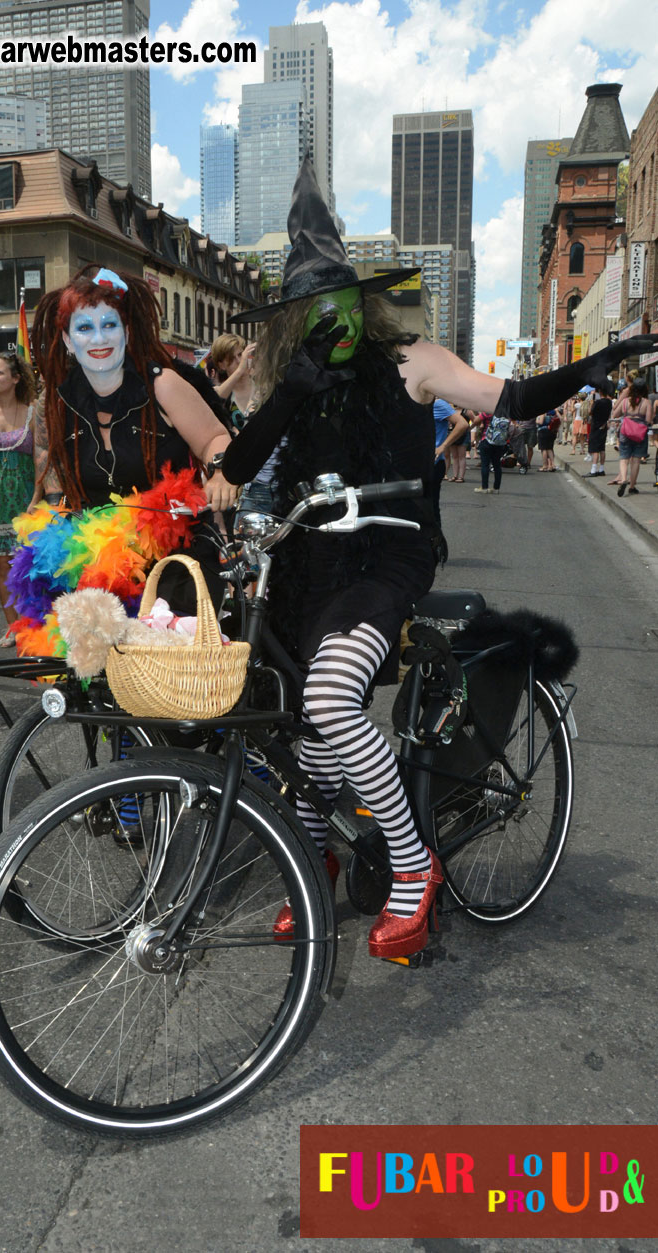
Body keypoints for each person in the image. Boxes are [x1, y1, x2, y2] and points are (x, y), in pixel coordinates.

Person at [221, 157, 658, 961]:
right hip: (312, 564)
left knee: (327, 694)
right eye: (307, 307)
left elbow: (511, 400)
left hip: (388, 556)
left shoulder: (410, 359)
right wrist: (290, 389)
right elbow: (240, 468)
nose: (326, 318)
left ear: (359, 298)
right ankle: (313, 860)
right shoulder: (294, 376)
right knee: (301, 727)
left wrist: (589, 370)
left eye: (336, 300)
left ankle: (414, 866)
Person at [30, 266, 235, 549]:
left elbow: (214, 437)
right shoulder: (55, 400)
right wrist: (55, 503)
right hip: (96, 553)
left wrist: (222, 472)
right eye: (85, 327)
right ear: (68, 339)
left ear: (126, 332)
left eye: (109, 325)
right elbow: (45, 450)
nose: (99, 339)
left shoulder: (162, 385)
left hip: (173, 550)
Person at [0, 352, 38, 646]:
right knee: (2, 566)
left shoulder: (32, 412)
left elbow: (42, 459)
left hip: (27, 497)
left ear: (16, 378)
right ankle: (14, 626)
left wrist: (39, 496)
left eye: (0, 372)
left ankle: (34, 623)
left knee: (30, 565)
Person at [611, 378, 652, 497]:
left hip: (625, 432)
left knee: (624, 459)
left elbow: (615, 414)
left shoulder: (625, 401)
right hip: (640, 434)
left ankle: (623, 479)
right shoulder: (646, 402)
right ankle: (632, 486)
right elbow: (648, 420)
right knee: (636, 461)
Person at [432, 399, 468, 526]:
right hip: (409, 464)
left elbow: (463, 424)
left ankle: (435, 543)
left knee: (430, 509)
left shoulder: (437, 404)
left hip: (433, 464)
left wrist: (443, 445)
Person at [210, 333, 257, 428]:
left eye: (240, 355)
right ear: (221, 365)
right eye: (231, 359)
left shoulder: (263, 389)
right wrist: (239, 371)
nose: (240, 361)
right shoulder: (220, 392)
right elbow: (215, 399)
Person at [470, 410, 512, 494]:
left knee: (485, 464)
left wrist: (471, 428)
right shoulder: (506, 413)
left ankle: (484, 487)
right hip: (499, 443)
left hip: (487, 440)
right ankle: (496, 488)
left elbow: (476, 421)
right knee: (497, 465)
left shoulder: (488, 412)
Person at [587, 384, 612, 476]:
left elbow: (590, 412)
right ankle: (601, 469)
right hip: (604, 425)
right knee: (602, 449)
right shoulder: (609, 402)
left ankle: (593, 470)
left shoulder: (597, 402)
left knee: (595, 449)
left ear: (600, 392)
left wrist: (591, 403)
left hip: (596, 426)